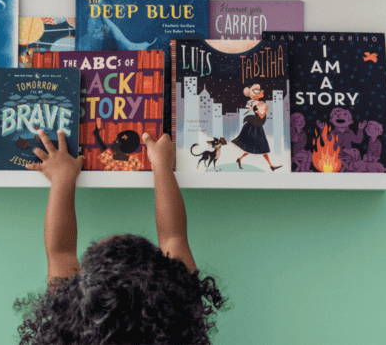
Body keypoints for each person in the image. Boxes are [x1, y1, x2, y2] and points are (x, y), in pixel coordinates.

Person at [15, 128, 228, 344]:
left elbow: (60, 251)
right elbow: (174, 237)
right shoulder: (178, 305)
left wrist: (61, 177)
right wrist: (162, 166)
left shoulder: (180, 307)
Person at [230, 84, 281, 170]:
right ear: (254, 95)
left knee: (254, 148)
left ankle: (240, 159)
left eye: (260, 90)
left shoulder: (261, 103)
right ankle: (271, 166)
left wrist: (265, 108)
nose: (261, 92)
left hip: (258, 126)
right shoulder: (255, 104)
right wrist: (266, 111)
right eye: (258, 91)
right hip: (255, 127)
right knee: (260, 147)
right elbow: (261, 116)